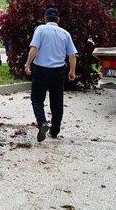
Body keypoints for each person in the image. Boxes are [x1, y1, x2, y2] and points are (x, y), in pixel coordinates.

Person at [24, 8, 77, 142]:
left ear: (45, 18)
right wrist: (72, 71)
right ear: (58, 19)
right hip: (58, 71)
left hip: (41, 70)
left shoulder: (40, 29)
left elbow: (34, 48)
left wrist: (28, 64)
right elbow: (72, 55)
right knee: (57, 102)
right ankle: (54, 131)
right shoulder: (65, 33)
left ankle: (42, 123)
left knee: (36, 99)